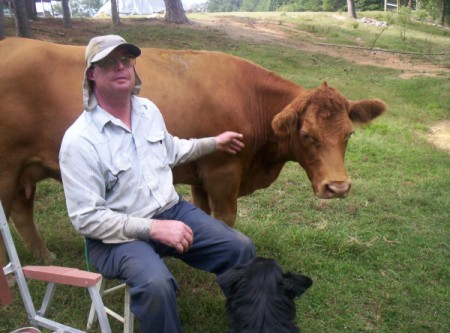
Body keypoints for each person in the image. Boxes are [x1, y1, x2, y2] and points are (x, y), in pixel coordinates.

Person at [59, 35, 256, 333]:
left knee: (240, 247)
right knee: (156, 284)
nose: (121, 67)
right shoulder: (80, 141)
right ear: (91, 74)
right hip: (115, 239)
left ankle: (249, 323)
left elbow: (171, 150)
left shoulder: (148, 111)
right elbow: (86, 219)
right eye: (109, 62)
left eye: (126, 60)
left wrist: (214, 143)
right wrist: (153, 229)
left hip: (171, 211)